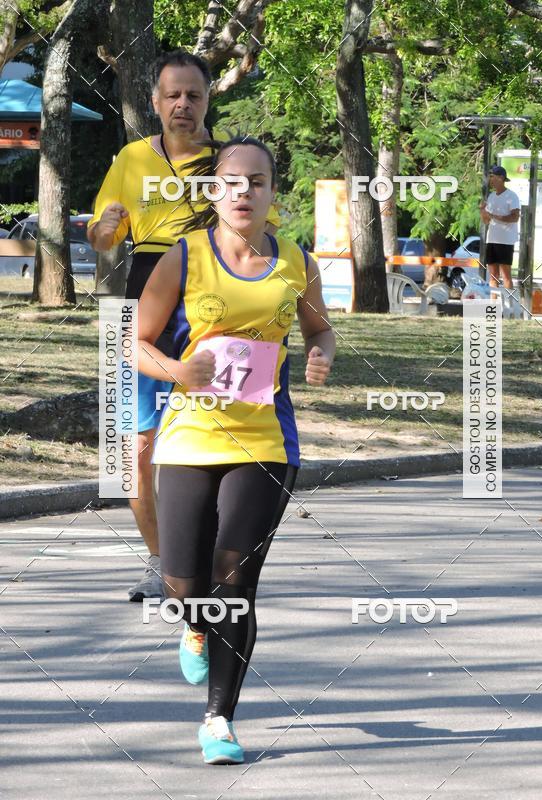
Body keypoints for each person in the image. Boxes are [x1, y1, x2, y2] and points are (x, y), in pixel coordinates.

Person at [137, 136, 335, 764]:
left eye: (256, 182)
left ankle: (219, 720)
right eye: (230, 181)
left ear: (274, 193)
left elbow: (320, 327)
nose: (243, 191)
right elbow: (135, 342)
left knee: (235, 581)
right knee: (184, 581)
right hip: (189, 438)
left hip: (264, 441)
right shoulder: (185, 256)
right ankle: (191, 622)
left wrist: (322, 352)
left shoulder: (296, 262)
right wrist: (175, 370)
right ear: (212, 191)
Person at [88, 49, 280, 601]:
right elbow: (102, 242)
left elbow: (264, 231)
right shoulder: (131, 159)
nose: (183, 105)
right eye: (172, 95)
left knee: (226, 436)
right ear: (155, 102)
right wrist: (104, 228)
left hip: (213, 298)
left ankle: (217, 558)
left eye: (193, 95)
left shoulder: (231, 161)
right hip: (142, 295)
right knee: (135, 447)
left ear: (207, 99)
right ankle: (160, 559)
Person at [480, 165, 521, 289]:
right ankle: (493, 305)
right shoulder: (491, 197)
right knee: (493, 276)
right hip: (492, 239)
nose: (490, 180)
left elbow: (515, 217)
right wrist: (482, 210)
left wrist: (494, 216)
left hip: (505, 241)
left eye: (492, 177)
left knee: (506, 275)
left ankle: (509, 305)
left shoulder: (511, 196)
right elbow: (486, 221)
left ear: (501, 178)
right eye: (489, 177)